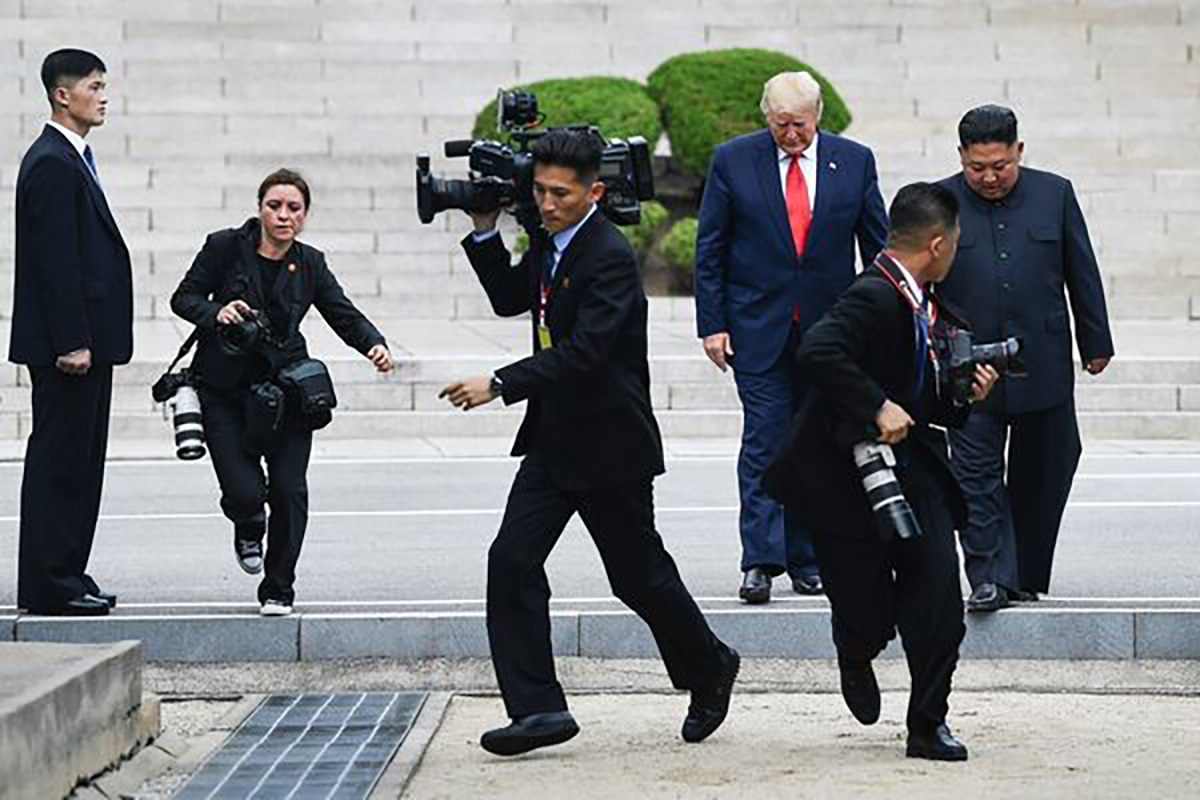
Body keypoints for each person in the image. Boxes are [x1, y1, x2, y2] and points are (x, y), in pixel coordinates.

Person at [440, 129, 739, 757]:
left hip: (610, 443)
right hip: (554, 440)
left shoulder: (606, 255)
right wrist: (486, 228)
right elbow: (508, 298)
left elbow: (587, 355)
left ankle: (710, 667)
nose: (546, 204)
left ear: (594, 192)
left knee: (637, 577)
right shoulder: (551, 241)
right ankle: (539, 711)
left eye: (560, 194)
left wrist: (499, 382)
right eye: (540, 191)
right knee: (512, 562)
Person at [765, 183, 999, 761]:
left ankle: (927, 724)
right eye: (956, 242)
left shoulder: (931, 303)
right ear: (938, 244)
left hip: (913, 467)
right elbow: (818, 352)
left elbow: (928, 401)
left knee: (939, 598)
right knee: (867, 612)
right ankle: (854, 643)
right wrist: (874, 404)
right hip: (843, 475)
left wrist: (965, 394)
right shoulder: (873, 294)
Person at [694, 70, 888, 604]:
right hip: (757, 329)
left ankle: (808, 558)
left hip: (829, 331)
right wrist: (712, 323)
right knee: (765, 439)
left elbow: (877, 248)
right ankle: (760, 560)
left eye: (800, 125)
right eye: (781, 125)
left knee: (818, 443)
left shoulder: (854, 161)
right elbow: (710, 247)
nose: (792, 135)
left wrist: (880, 323)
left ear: (817, 115)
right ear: (766, 117)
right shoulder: (733, 160)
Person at [171, 169, 393, 616]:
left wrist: (374, 343)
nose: (283, 215)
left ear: (305, 215)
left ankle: (278, 587)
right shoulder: (224, 247)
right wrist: (218, 313)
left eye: (294, 208)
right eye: (275, 205)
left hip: (288, 390)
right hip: (224, 391)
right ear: (259, 207)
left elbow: (341, 312)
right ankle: (248, 524)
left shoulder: (310, 262)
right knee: (247, 493)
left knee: (290, 491)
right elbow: (184, 298)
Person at [937, 105, 1115, 612]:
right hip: (969, 370)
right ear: (962, 159)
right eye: (977, 167)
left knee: (1049, 467)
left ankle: (1026, 573)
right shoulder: (940, 201)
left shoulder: (1054, 193)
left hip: (1044, 360)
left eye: (1000, 165)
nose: (989, 177)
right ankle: (989, 577)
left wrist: (1095, 341)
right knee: (974, 476)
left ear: (1019, 150)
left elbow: (1080, 267)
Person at [11, 49, 131, 617]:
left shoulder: (70, 157)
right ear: (63, 95)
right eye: (95, 85)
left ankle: (67, 572)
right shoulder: (54, 162)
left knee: (81, 462)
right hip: (70, 348)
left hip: (86, 342)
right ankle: (48, 584)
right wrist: (71, 341)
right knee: (61, 460)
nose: (104, 96)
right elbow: (55, 262)